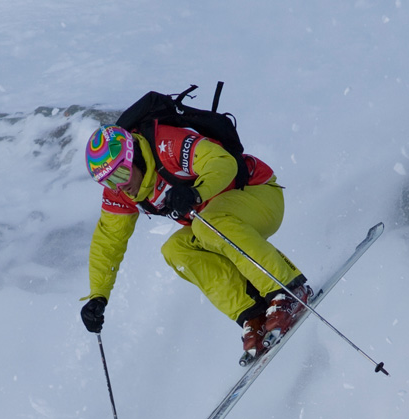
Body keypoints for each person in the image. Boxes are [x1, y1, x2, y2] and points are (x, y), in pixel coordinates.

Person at [79, 119, 310, 363]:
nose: (119, 185)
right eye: (108, 181)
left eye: (121, 173)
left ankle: (288, 289)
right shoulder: (121, 191)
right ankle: (254, 313)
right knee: (175, 249)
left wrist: (195, 192)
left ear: (133, 156)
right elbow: (108, 242)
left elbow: (222, 163)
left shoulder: (167, 145)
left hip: (258, 195)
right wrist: (98, 296)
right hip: (216, 224)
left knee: (206, 223)